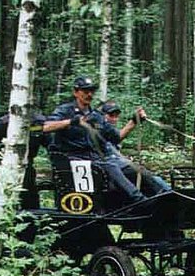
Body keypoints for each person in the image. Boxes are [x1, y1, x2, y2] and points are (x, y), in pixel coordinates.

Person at [44, 76, 147, 204]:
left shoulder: (96, 116)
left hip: (94, 158)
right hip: (72, 158)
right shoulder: (65, 110)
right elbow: (45, 127)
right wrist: (70, 122)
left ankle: (165, 195)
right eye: (85, 91)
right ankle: (140, 200)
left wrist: (134, 121)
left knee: (136, 170)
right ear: (76, 92)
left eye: (91, 91)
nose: (89, 94)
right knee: (110, 166)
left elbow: (116, 137)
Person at [98, 100, 171, 196]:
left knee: (157, 180)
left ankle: (171, 197)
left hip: (120, 171)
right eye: (111, 116)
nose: (114, 119)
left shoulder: (110, 134)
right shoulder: (97, 130)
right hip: (111, 175)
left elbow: (118, 138)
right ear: (102, 116)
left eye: (116, 116)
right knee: (146, 178)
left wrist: (135, 120)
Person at [0, 111, 48, 209]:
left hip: (27, 167)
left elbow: (51, 146)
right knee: (3, 201)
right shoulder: (4, 124)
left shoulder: (39, 123)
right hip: (5, 169)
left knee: (30, 204)